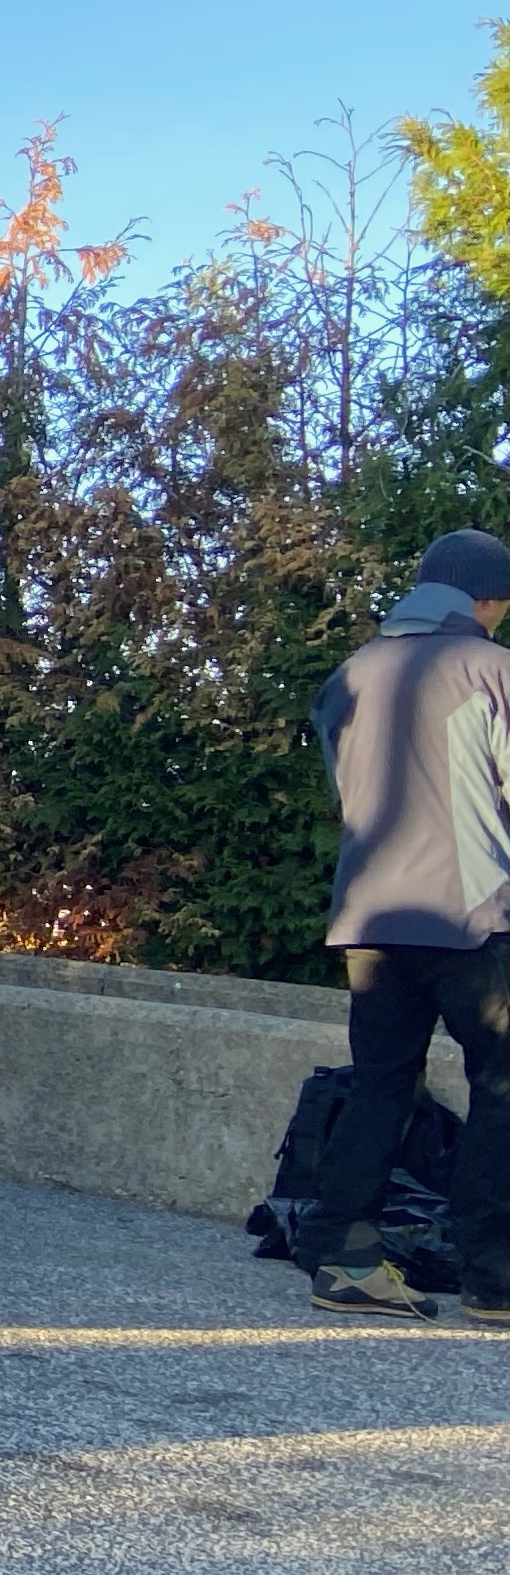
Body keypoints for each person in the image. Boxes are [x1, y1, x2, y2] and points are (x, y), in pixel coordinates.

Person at [292, 527, 510, 1321]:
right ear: (487, 599)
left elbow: (344, 788)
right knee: (503, 1085)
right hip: (471, 914)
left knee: (383, 1083)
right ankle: (493, 1276)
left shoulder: (350, 673)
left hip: (372, 915)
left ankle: (343, 1255)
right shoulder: (492, 669)